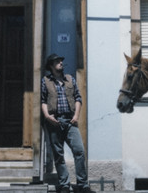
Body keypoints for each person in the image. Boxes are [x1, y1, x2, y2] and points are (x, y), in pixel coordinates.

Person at [41, 53, 92, 193]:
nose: (61, 63)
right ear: (51, 65)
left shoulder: (70, 79)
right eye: (57, 62)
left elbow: (78, 98)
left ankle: (82, 184)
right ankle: (64, 184)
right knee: (58, 154)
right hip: (54, 121)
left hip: (70, 121)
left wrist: (76, 116)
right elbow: (43, 101)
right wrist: (47, 116)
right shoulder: (45, 81)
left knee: (79, 151)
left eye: (61, 61)